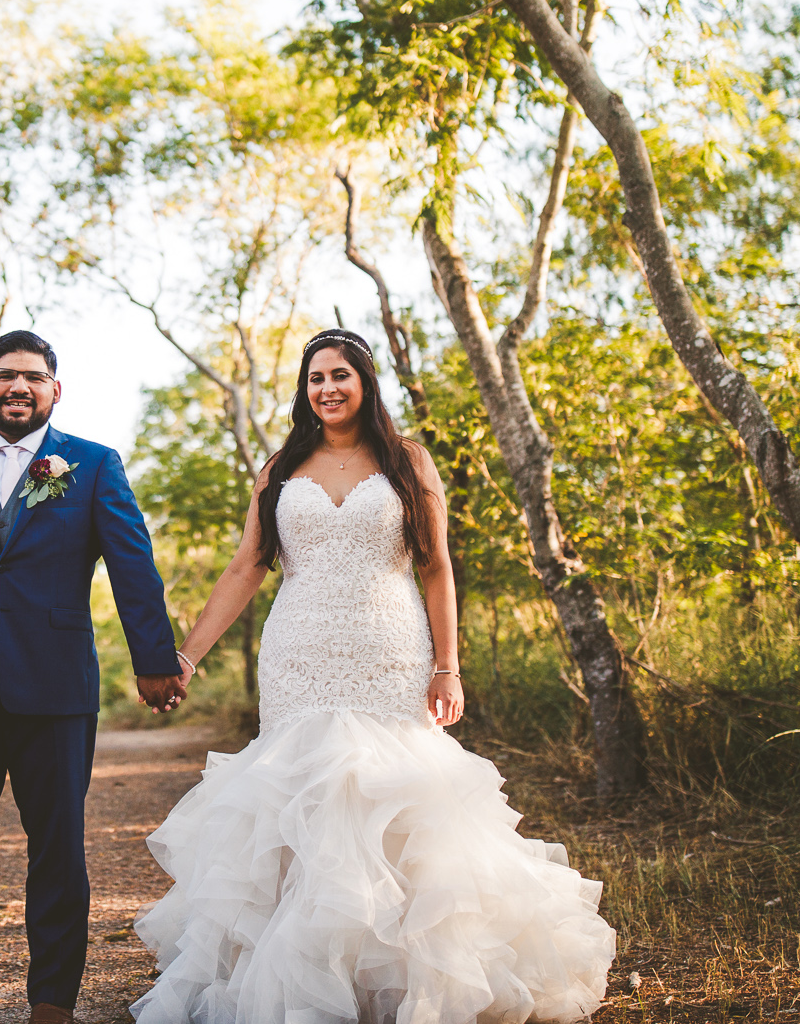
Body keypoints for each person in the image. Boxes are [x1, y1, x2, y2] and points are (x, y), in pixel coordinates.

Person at [132, 328, 617, 1024]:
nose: (327, 388)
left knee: (396, 796)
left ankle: (409, 980)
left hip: (389, 651)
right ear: (304, 390)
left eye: (340, 375)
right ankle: (305, 984)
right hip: (298, 655)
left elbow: (437, 567)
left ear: (365, 381)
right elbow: (246, 566)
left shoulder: (407, 461)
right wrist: (188, 655)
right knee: (301, 802)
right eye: (315, 378)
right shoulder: (278, 468)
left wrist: (447, 665)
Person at [0, 330, 187, 1024]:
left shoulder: (90, 464)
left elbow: (132, 567)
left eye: (32, 376)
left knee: (58, 854)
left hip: (54, 691)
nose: (18, 386)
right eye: (5, 376)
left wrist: (154, 661)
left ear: (55, 389)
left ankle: (53, 1001)